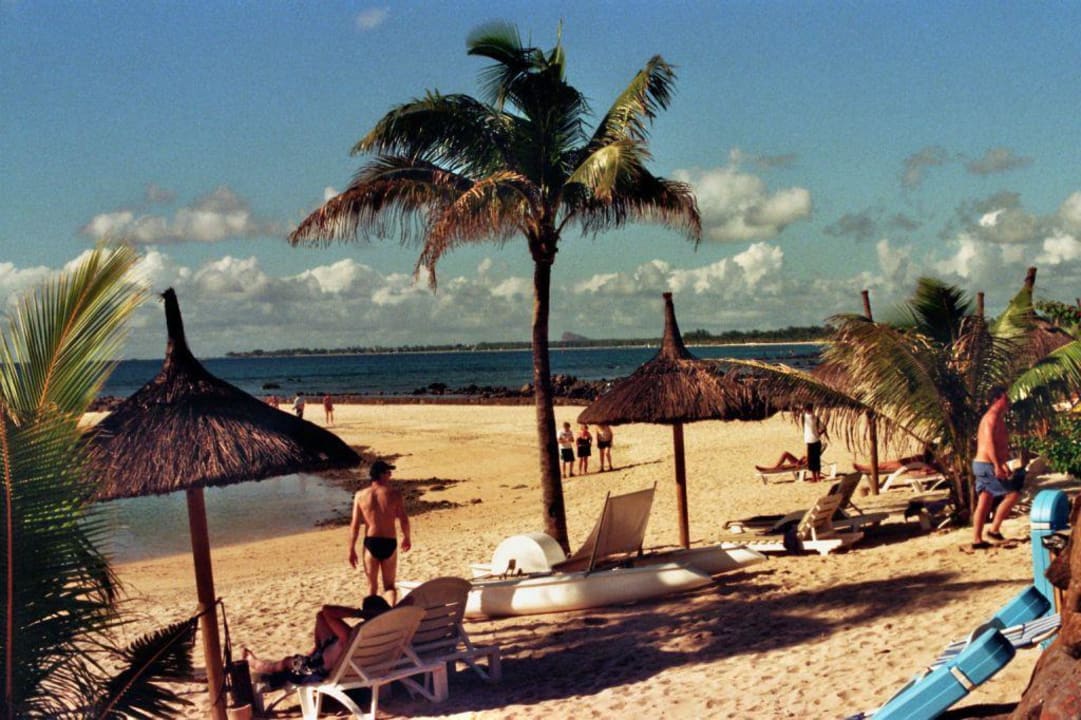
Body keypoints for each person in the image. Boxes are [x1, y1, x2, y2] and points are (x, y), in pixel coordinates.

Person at [242, 595, 392, 687]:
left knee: (287, 662)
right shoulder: (383, 632)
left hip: (317, 667)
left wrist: (359, 613)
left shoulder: (350, 635)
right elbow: (324, 613)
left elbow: (328, 610)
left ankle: (257, 664)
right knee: (320, 616)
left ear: (366, 615)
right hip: (340, 654)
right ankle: (315, 649)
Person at [348, 460, 411, 605]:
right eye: (388, 472)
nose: (390, 475)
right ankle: (391, 613)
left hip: (371, 543)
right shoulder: (394, 494)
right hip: (389, 542)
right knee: (389, 586)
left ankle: (372, 618)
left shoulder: (360, 495)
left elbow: (355, 525)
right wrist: (407, 537)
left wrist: (351, 549)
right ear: (381, 475)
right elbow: (403, 519)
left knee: (372, 586)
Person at [971, 386, 1023, 549]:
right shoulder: (991, 417)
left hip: (985, 465)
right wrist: (996, 465)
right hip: (986, 465)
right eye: (1005, 399)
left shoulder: (997, 418)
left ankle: (977, 540)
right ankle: (993, 530)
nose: (1008, 402)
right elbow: (988, 445)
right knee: (1012, 495)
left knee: (985, 501)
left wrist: (1002, 463)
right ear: (996, 400)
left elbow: (999, 445)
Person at [801, 403, 828, 481]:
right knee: (814, 460)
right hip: (813, 440)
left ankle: (815, 477)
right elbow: (823, 428)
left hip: (813, 441)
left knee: (814, 461)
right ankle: (816, 477)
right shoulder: (813, 417)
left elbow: (823, 428)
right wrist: (818, 434)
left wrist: (818, 433)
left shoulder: (810, 417)